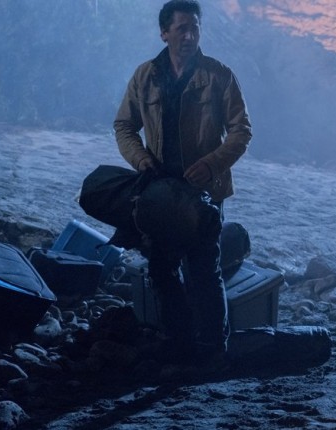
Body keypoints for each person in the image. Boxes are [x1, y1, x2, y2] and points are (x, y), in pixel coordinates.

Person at [113, 0, 252, 362]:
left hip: (204, 192)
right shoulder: (145, 76)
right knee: (161, 269)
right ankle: (178, 343)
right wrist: (140, 158)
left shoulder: (219, 76)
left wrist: (212, 164)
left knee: (203, 269)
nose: (189, 36)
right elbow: (124, 125)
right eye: (181, 29)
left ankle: (211, 350)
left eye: (195, 28)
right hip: (160, 191)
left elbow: (241, 130)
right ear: (164, 33)